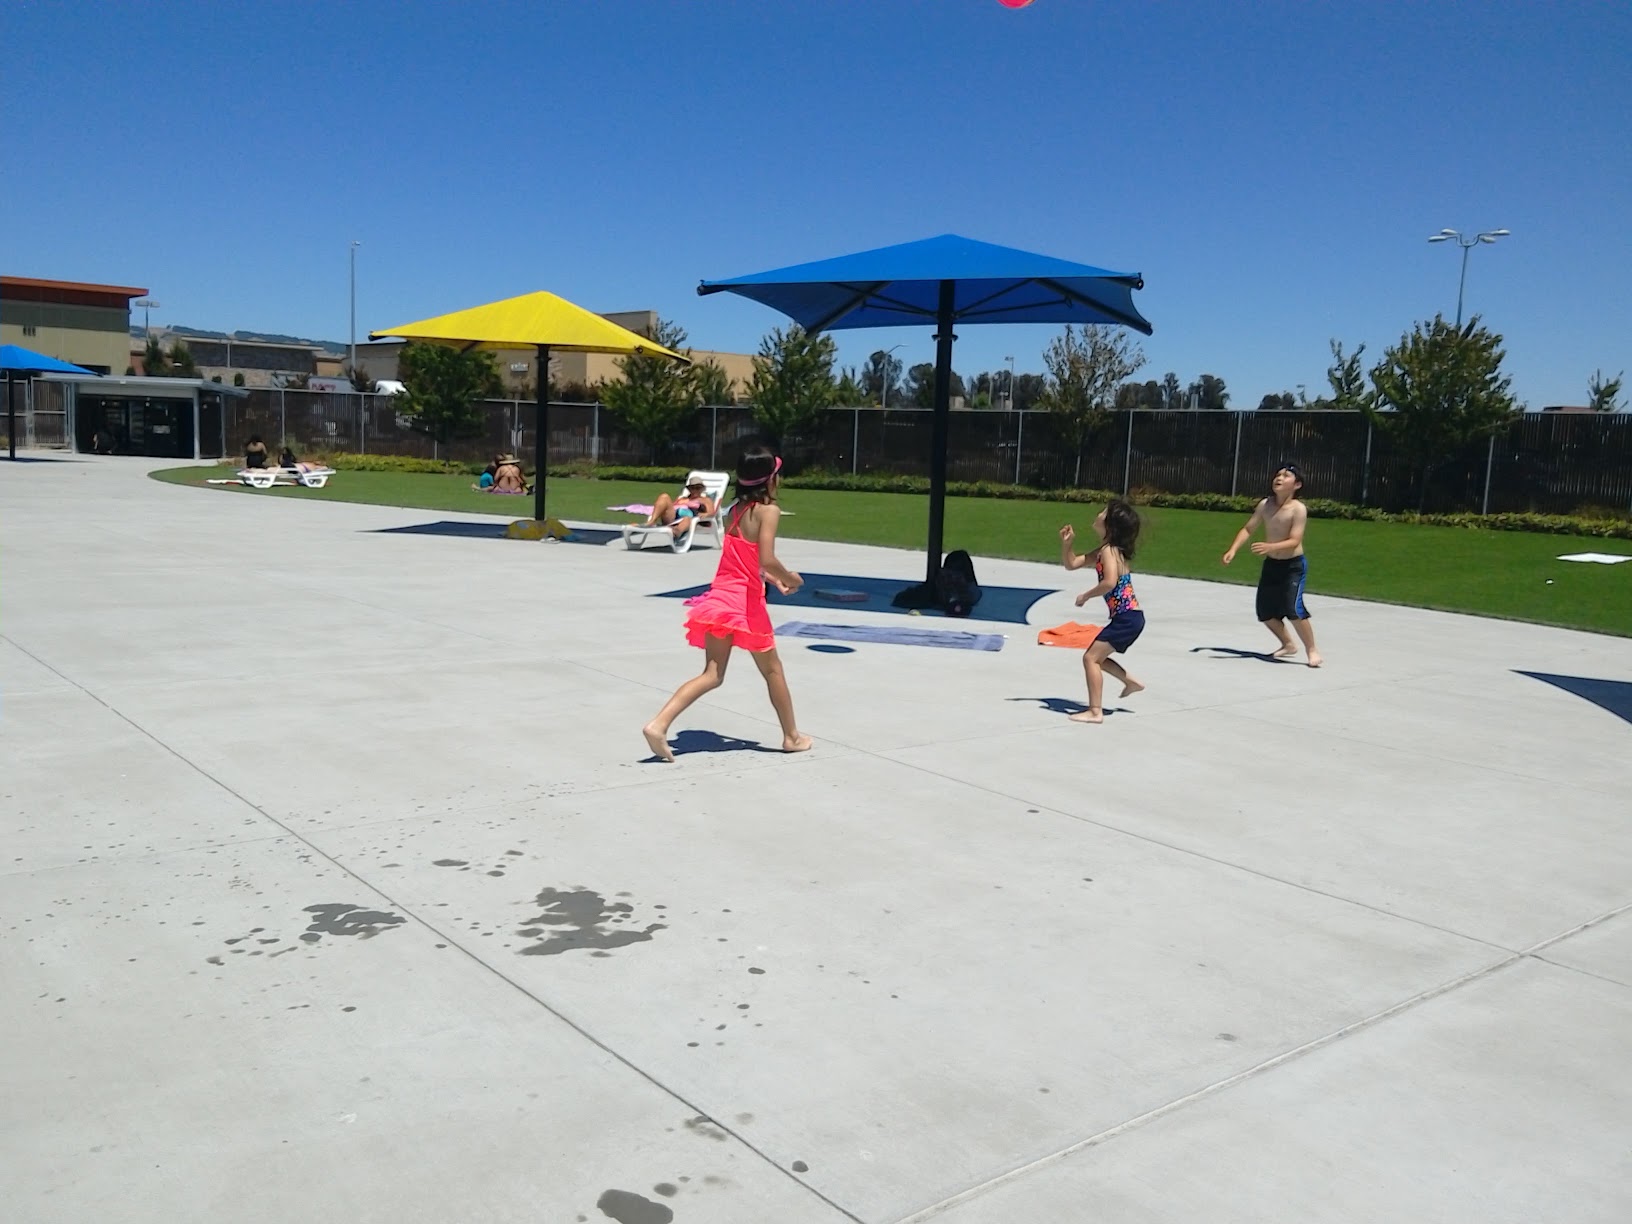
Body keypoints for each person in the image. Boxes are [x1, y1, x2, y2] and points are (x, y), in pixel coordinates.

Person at [643, 445, 812, 762]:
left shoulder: (735, 511)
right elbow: (766, 558)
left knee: (712, 674)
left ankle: (658, 724)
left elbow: (747, 560)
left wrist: (773, 580)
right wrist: (791, 578)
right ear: (770, 479)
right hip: (745, 605)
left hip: (720, 599)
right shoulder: (768, 511)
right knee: (773, 671)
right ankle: (792, 737)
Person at [1222, 463, 1323, 667]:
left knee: (1294, 609)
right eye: (1278, 475)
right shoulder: (1265, 505)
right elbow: (1248, 529)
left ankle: (1312, 650)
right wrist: (1233, 549)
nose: (1279, 478)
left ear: (1297, 485)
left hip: (1293, 566)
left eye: (1286, 476)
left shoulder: (1298, 509)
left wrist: (1270, 546)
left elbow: (1295, 540)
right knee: (1265, 612)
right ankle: (1288, 644)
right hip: (1272, 565)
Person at [1059, 499, 1147, 724]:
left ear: (1110, 525)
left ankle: (1095, 711)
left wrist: (1086, 596)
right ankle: (1131, 682)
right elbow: (1072, 564)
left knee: (1090, 658)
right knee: (1097, 657)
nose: (1098, 514)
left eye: (1103, 512)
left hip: (1127, 618)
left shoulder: (1109, 551)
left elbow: (1109, 582)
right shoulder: (1104, 550)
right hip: (1129, 618)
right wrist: (1068, 544)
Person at [642, 478, 717, 536]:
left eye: (697, 488)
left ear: (702, 489)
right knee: (664, 496)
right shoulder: (683, 498)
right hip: (673, 517)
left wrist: (705, 514)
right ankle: (651, 521)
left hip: (689, 520)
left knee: (687, 519)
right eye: (692, 488)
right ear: (689, 489)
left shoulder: (705, 500)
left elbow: (711, 513)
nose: (694, 490)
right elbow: (673, 507)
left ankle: (677, 532)